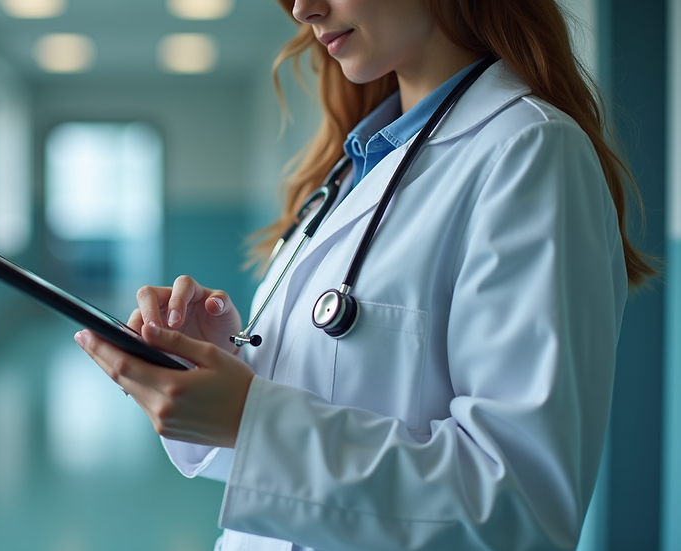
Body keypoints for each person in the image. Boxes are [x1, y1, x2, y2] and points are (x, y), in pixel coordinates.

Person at [74, 0, 655, 549]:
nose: (302, 9)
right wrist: (219, 365)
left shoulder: (530, 152)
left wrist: (252, 418)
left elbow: (518, 511)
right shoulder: (354, 167)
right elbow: (331, 395)